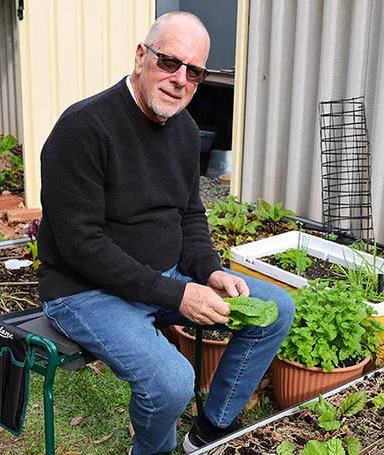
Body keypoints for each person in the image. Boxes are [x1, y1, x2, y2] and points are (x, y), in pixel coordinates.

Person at [36, 11, 295, 455]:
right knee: (173, 382)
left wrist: (209, 272)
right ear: (141, 56)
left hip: (164, 278)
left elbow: (190, 216)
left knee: (276, 307)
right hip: (84, 291)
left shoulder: (185, 129)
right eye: (170, 62)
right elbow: (82, 245)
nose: (180, 79)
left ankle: (209, 431)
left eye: (194, 72)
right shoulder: (83, 128)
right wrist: (177, 295)